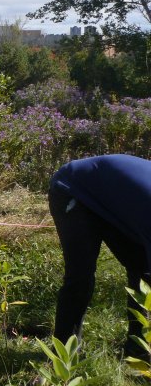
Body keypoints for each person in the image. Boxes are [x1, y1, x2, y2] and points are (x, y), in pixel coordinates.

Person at [48, 154, 151, 359]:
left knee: (141, 273)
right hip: (73, 187)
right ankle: (63, 357)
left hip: (114, 198)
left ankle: (138, 352)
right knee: (80, 276)